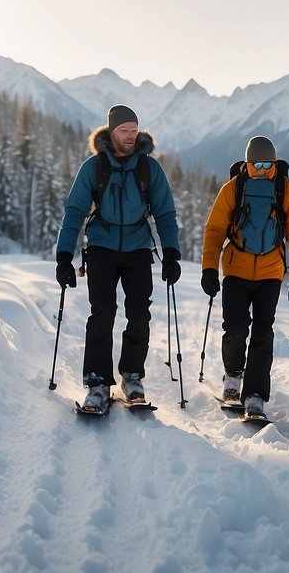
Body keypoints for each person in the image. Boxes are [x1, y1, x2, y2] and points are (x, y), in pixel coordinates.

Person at [56, 104, 182, 412]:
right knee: (103, 312)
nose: (129, 136)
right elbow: (75, 211)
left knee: (139, 313)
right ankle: (98, 383)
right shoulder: (94, 167)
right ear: (111, 132)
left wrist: (172, 254)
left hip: (138, 247)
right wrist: (63, 256)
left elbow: (165, 212)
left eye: (134, 130)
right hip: (101, 245)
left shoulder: (148, 168)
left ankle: (131, 377)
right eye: (124, 130)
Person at [200, 135, 289, 419]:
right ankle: (233, 376)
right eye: (256, 164)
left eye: (267, 164)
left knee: (263, 332)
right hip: (236, 270)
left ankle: (255, 396)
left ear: (274, 164)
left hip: (271, 273)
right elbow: (214, 230)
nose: (262, 169)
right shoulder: (232, 190)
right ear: (247, 164)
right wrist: (209, 268)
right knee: (235, 328)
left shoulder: (287, 191)